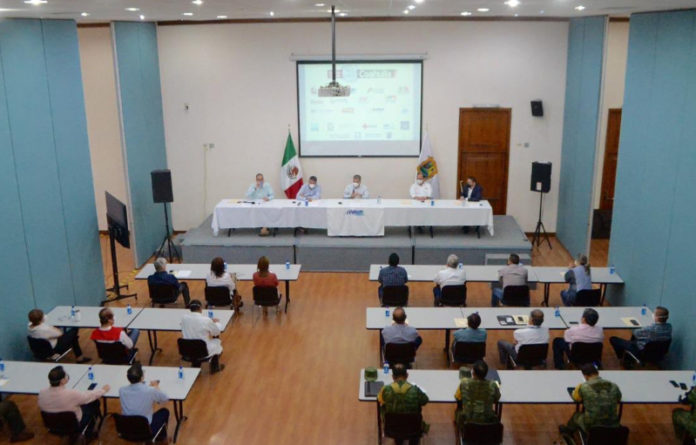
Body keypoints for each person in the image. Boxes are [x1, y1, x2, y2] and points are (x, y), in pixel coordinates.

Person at [38, 365, 109, 439]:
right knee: (94, 403)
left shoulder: (42, 392)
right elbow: (89, 397)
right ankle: (88, 433)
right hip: (74, 424)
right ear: (62, 381)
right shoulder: (71, 394)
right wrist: (103, 390)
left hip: (52, 425)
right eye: (66, 375)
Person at [559, 364, 621, 437]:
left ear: (585, 376)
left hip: (592, 425)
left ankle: (568, 432)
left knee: (576, 416)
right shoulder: (613, 386)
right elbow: (618, 398)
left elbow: (576, 398)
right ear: (597, 373)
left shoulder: (583, 386)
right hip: (613, 424)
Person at [377, 363, 429, 445]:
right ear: (407, 375)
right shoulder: (415, 390)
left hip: (392, 428)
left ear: (393, 377)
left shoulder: (385, 389)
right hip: (414, 428)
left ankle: (399, 441)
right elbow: (425, 401)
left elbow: (380, 401)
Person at [119, 364, 169, 443]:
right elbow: (165, 398)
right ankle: (161, 438)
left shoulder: (121, 390)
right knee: (165, 411)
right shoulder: (150, 390)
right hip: (145, 429)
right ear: (142, 378)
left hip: (127, 428)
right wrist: (156, 386)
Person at [181, 300, 224, 374]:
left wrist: (210, 321)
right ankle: (214, 367)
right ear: (200, 308)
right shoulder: (206, 320)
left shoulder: (184, 318)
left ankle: (195, 364)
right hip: (203, 350)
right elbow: (215, 332)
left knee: (194, 343)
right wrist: (216, 323)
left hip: (188, 350)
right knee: (217, 342)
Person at [454, 360, 500, 428]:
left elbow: (457, 397)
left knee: (458, 410)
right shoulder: (492, 385)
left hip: (468, 422)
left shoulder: (464, 383)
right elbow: (497, 398)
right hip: (488, 422)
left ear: (473, 372)